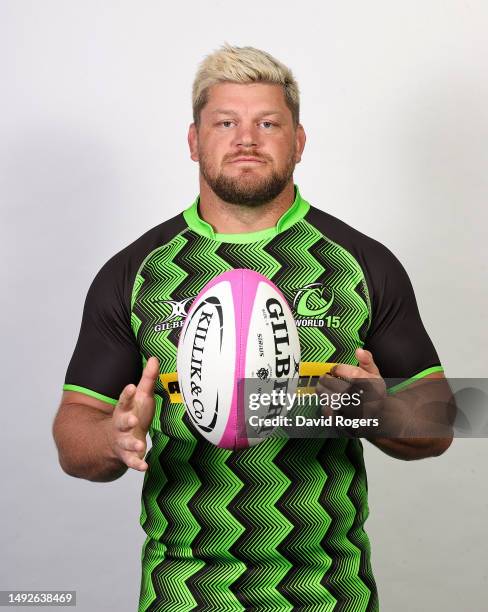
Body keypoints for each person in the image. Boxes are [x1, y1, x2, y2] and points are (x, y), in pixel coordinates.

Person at [53, 43, 453, 611]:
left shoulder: (360, 263)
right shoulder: (136, 271)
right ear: (194, 141)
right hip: (181, 591)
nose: (247, 138)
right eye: (225, 123)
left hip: (330, 591)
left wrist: (376, 411)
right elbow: (75, 431)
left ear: (299, 141)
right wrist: (114, 438)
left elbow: (443, 418)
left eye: (268, 122)